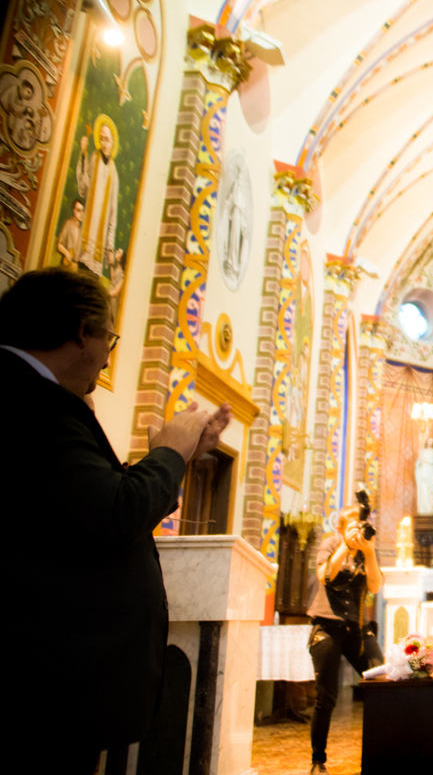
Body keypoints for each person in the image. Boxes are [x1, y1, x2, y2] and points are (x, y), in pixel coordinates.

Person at [1, 268, 231, 772]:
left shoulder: (29, 399)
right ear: (84, 332)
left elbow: (83, 505)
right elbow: (115, 512)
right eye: (110, 338)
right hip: (42, 681)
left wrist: (176, 458)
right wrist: (170, 452)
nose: (108, 356)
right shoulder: (32, 404)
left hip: (52, 677)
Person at [308, 502, 385, 775]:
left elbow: (375, 586)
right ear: (339, 528)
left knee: (383, 683)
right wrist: (345, 548)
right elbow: (324, 574)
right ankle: (318, 761)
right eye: (353, 526)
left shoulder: (366, 552)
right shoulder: (331, 543)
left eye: (360, 525)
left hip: (357, 630)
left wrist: (370, 551)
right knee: (326, 697)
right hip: (327, 628)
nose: (358, 530)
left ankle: (382, 756)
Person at [77, 115, 120, 277]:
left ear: (113, 142)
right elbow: (83, 189)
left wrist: (109, 246)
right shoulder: (94, 158)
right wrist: (83, 154)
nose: (104, 143)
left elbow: (113, 212)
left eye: (107, 139)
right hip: (87, 230)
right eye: (102, 139)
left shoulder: (114, 174)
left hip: (100, 237)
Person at [415, 437, 433, 515]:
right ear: (426, 442)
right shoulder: (422, 452)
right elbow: (418, 464)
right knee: (424, 490)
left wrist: (426, 460)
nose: (431, 442)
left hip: (431, 473)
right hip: (423, 473)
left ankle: (431, 508)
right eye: (429, 441)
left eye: (432, 441)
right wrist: (420, 461)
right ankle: (423, 509)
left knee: (432, 490)